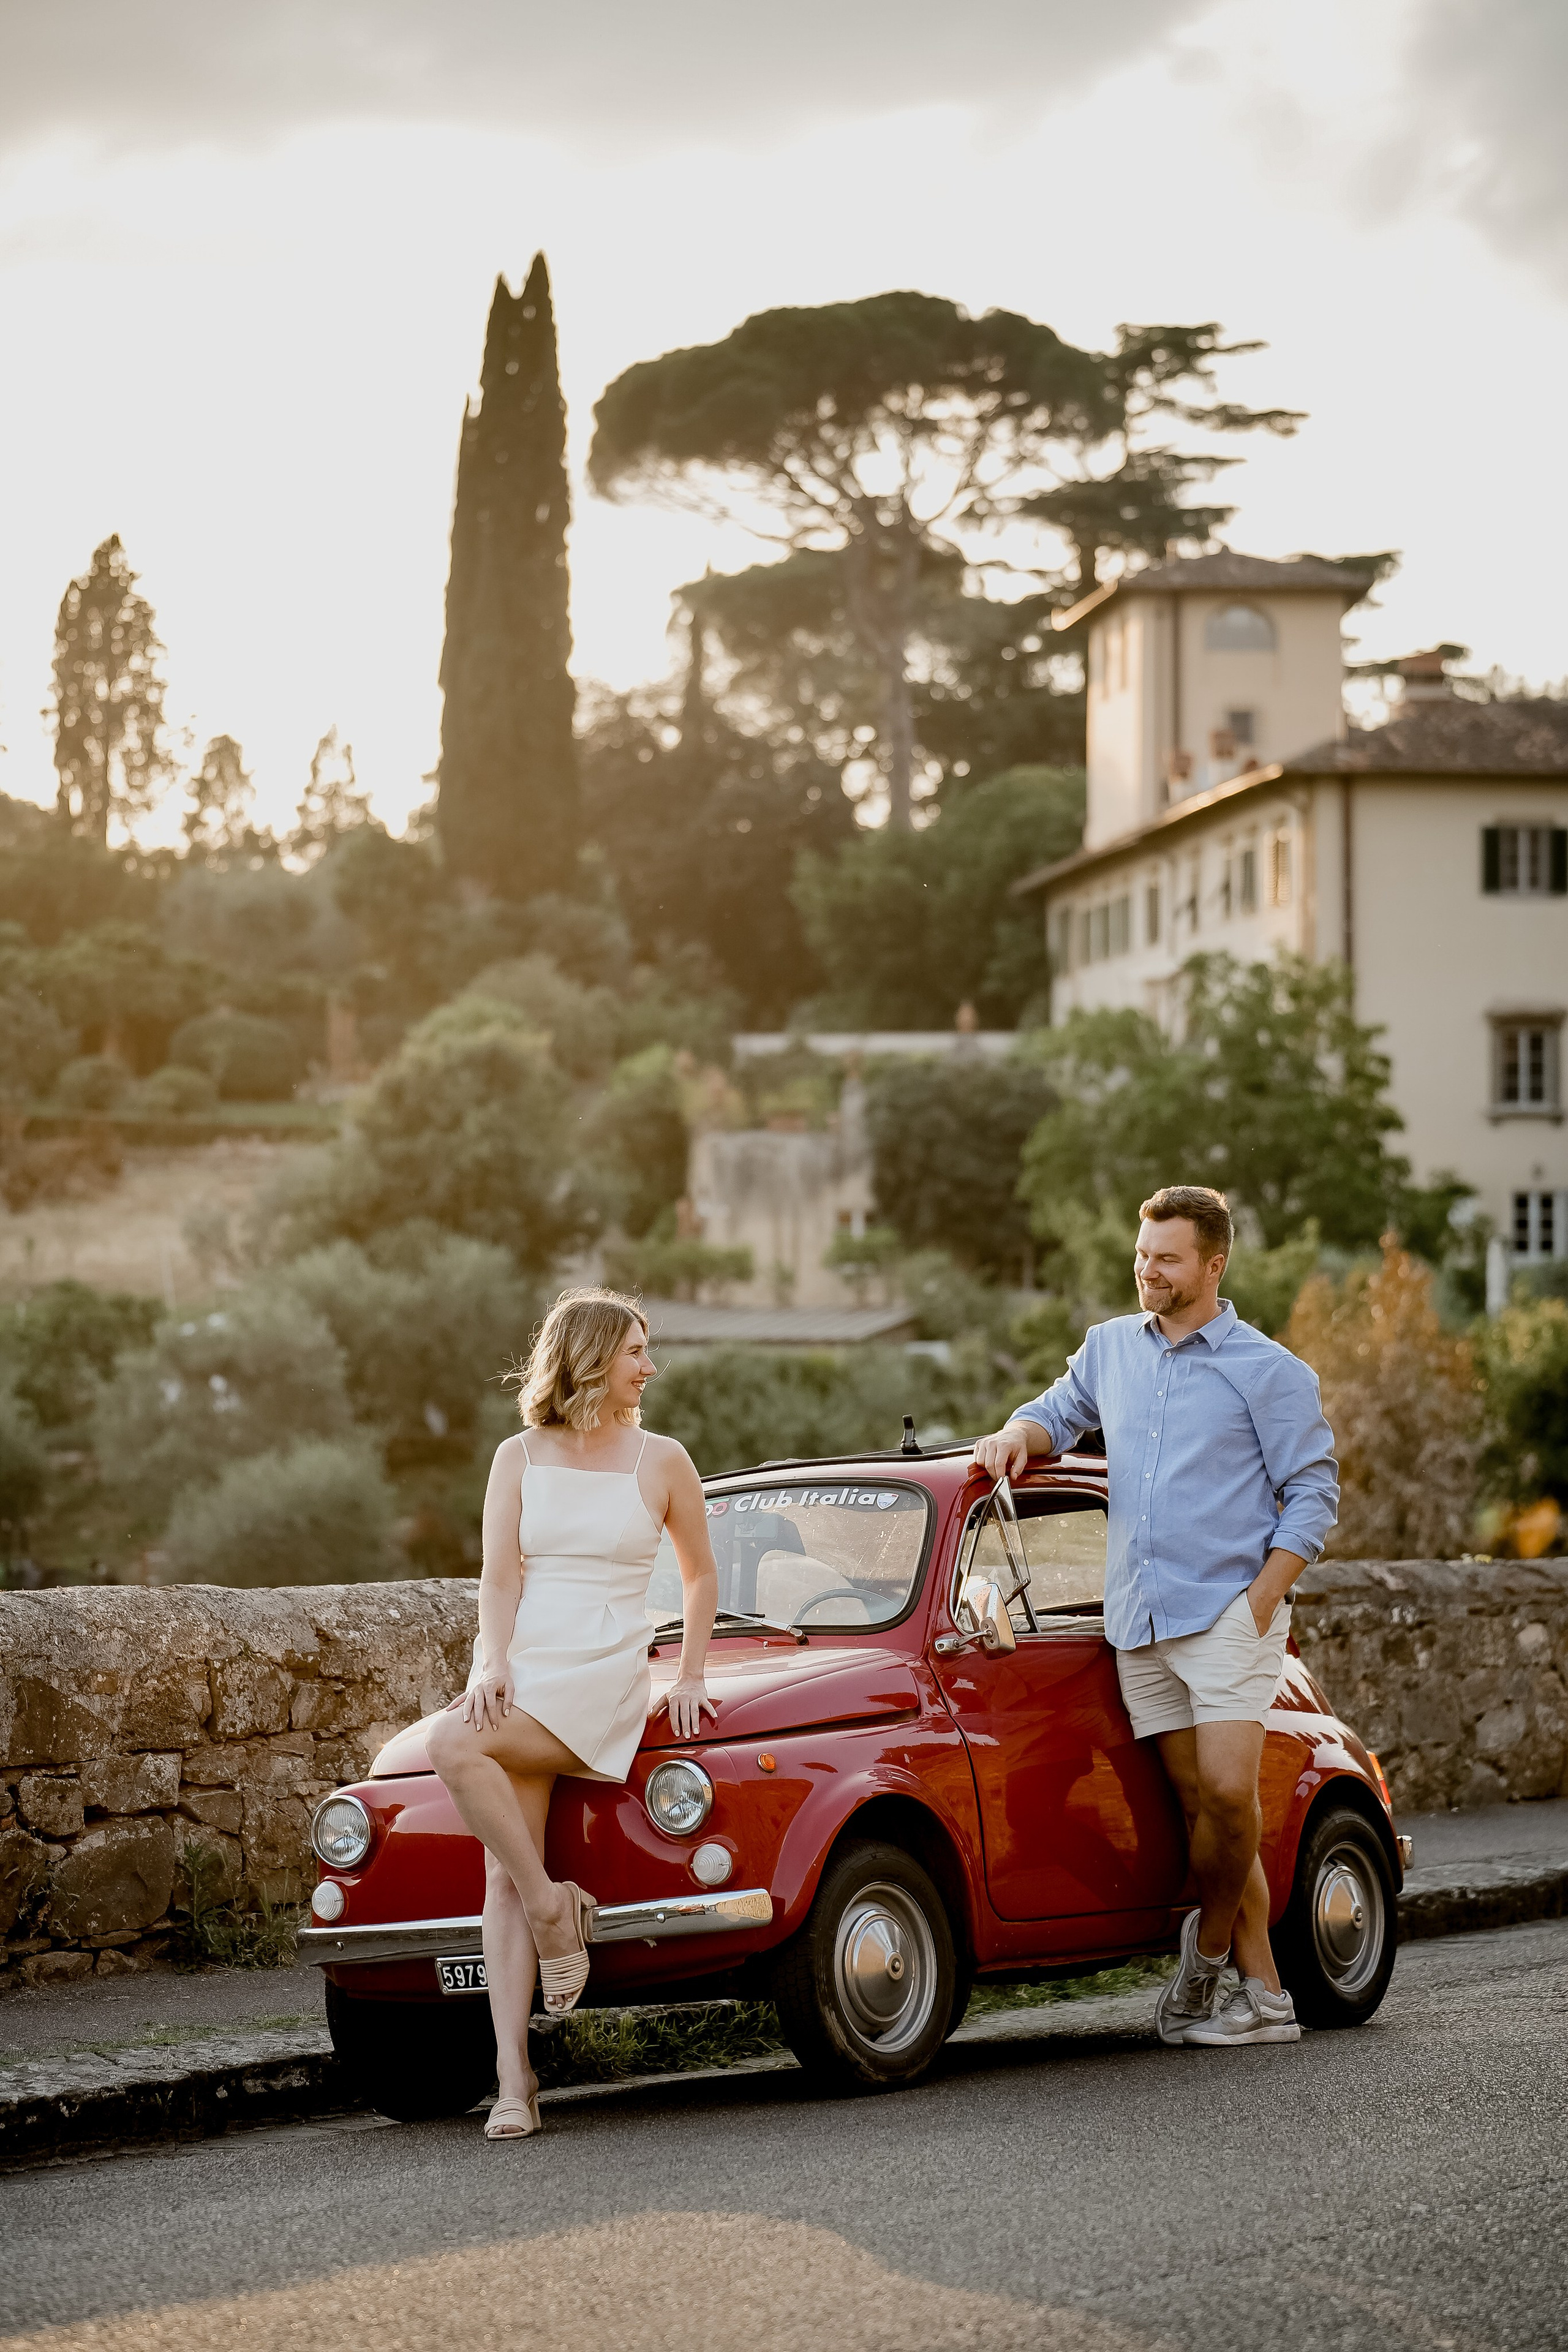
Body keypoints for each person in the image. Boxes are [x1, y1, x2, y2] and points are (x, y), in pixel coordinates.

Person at [973, 1185, 1338, 2048]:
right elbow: (1057, 1415)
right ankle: (1267, 1998)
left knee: (1226, 1795)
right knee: (1198, 1809)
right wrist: (1012, 1437)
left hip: (1228, 1616)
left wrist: (1260, 1600)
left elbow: (1314, 1493)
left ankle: (1206, 1957)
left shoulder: (1270, 1370)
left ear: (1213, 1266)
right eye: (1143, 1255)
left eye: (1167, 1259)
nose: (1149, 1270)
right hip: (1140, 1620)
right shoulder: (1109, 1350)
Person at [426, 1289, 718, 2138]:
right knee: (500, 1877)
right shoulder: (517, 1456)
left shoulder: (663, 1459)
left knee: (453, 1746)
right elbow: (499, 1579)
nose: (649, 1367)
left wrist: (693, 1673)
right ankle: (514, 2083)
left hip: (603, 1665)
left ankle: (556, 1909)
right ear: (592, 1356)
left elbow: (699, 1576)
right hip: (528, 1662)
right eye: (636, 1351)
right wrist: (491, 1660)